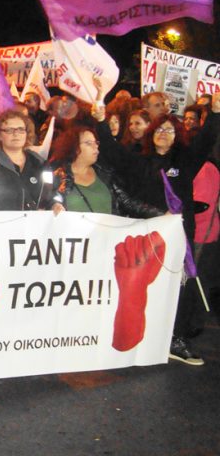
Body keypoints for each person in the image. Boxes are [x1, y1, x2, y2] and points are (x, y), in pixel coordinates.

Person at [94, 95, 220, 366]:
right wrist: (101, 122)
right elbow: (112, 151)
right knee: (137, 288)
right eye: (160, 129)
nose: (164, 134)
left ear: (178, 136)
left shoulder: (185, 162)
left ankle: (176, 338)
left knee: (180, 287)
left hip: (176, 238)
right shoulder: (138, 161)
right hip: (143, 236)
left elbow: (206, 140)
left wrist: (216, 113)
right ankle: (135, 336)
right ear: (151, 134)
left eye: (170, 130)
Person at [49, 125, 163, 218]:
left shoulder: (105, 174)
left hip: (107, 242)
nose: (96, 148)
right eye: (89, 143)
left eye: (96, 143)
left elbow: (128, 203)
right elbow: (47, 201)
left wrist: (161, 215)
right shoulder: (58, 177)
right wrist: (53, 206)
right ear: (73, 146)